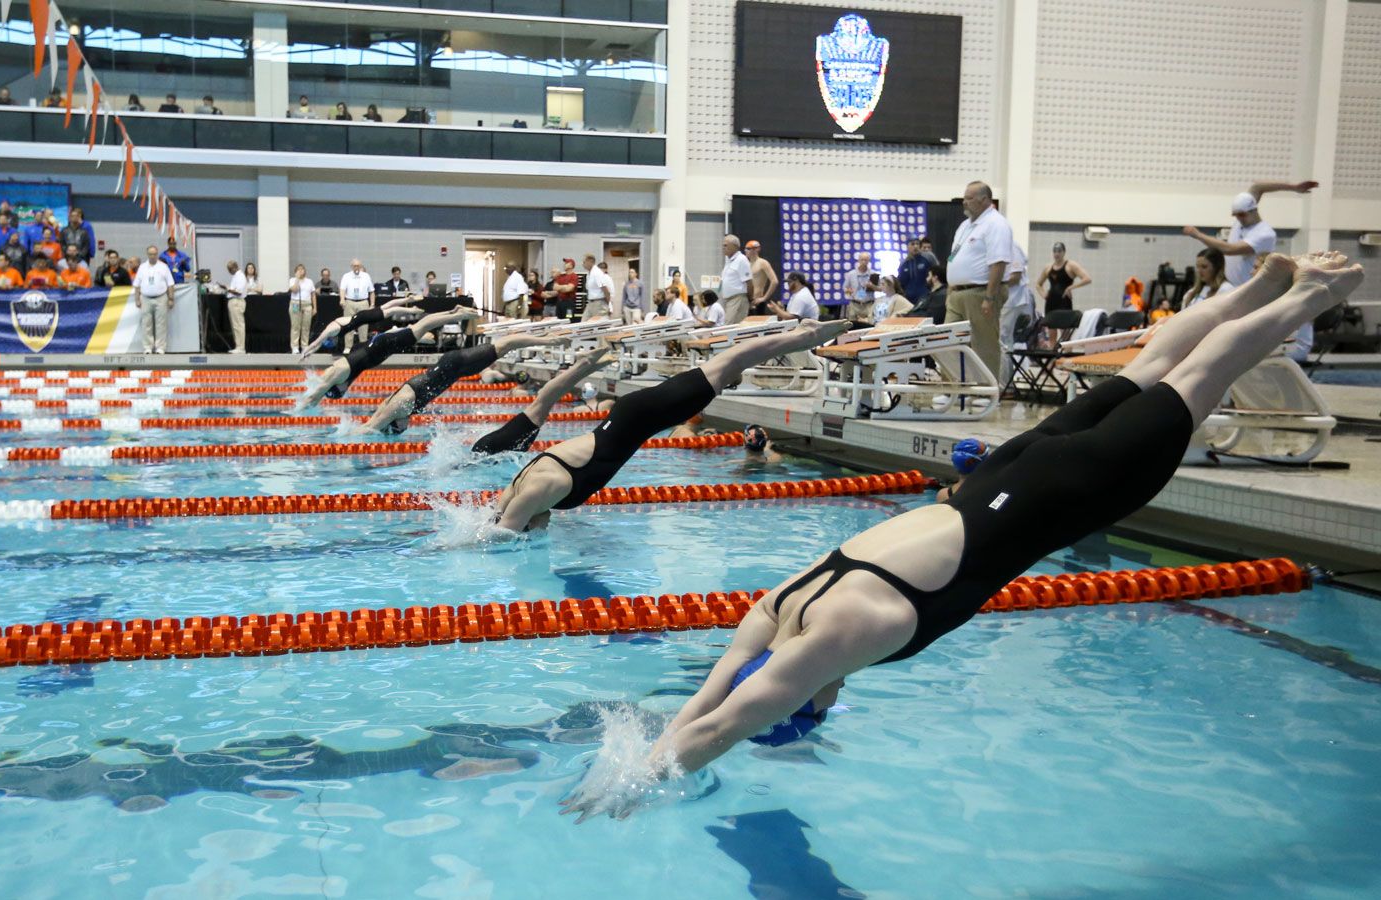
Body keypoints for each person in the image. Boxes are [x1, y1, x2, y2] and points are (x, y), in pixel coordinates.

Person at [558, 252, 1366, 822]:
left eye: (818, 706)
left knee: (1193, 382)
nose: (832, 699)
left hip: (1059, 491)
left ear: (807, 693)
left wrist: (633, 791)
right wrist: (642, 758)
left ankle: (1309, 294)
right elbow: (708, 704)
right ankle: (1262, 282)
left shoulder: (839, 636)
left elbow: (727, 724)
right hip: (1002, 473)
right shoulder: (776, 608)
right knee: (1147, 366)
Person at [491, 320, 853, 534]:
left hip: (640, 417)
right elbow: (515, 527)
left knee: (731, 363)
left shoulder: (542, 489)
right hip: (631, 417)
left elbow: (504, 538)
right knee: (725, 369)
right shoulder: (527, 490)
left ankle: (804, 336)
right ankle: (802, 335)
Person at [361, 331, 569, 435]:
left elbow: (370, 427)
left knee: (506, 344)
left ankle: (549, 340)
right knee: (503, 348)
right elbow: (374, 418)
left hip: (455, 365)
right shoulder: (399, 405)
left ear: (396, 423)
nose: (407, 428)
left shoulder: (400, 406)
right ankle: (547, 340)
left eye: (401, 429)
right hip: (454, 367)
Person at [292, 308, 480, 410]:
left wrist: (297, 411)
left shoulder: (338, 372)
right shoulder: (344, 372)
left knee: (423, 326)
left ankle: (456, 313)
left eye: (340, 391)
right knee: (422, 330)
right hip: (380, 344)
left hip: (382, 346)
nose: (345, 390)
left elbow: (313, 397)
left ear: (338, 386)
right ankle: (453, 313)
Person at [472, 346, 617, 455]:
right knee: (545, 402)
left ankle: (582, 363)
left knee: (544, 402)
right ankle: (588, 366)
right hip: (501, 447)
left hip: (495, 446)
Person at [1184, 180, 1316, 289]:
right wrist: (1293, 187)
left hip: (1248, 288)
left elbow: (1229, 249)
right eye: (1236, 215)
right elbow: (1258, 186)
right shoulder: (1241, 218)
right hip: (1230, 286)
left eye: (1242, 215)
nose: (1239, 219)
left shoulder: (1265, 234)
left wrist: (1198, 235)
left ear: (1254, 210)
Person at [945, 180, 1014, 378]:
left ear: (984, 200)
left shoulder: (996, 224)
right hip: (958, 294)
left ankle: (987, 389)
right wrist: (951, 289)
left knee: (983, 343)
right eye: (964, 198)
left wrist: (990, 297)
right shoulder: (965, 226)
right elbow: (954, 257)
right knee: (948, 341)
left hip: (981, 292)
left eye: (969, 198)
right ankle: (954, 388)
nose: (964, 202)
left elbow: (998, 263)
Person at [306, 296, 425, 359]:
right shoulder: (331, 330)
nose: (336, 341)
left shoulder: (331, 331)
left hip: (364, 318)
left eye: (334, 341)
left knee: (391, 310)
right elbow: (318, 344)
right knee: (388, 306)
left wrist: (305, 352)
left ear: (331, 339)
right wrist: (309, 353)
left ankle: (412, 309)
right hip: (361, 315)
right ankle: (409, 300)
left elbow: (316, 342)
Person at [134, 245, 176, 353]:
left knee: (161, 324)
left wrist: (171, 298)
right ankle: (147, 347)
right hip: (145, 298)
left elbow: (170, 284)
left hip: (161, 298)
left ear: (157, 254)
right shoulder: (142, 267)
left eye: (154, 254)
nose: (152, 256)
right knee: (146, 323)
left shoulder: (163, 267)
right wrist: (137, 299)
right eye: (150, 254)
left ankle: (160, 347)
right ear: (147, 254)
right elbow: (137, 285)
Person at [998, 243, 1033, 360]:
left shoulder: (1012, 248)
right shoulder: (999, 248)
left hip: (1013, 299)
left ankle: (1004, 377)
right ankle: (1004, 375)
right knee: (1004, 339)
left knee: (1003, 339)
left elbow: (1015, 277)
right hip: (1006, 300)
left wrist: (993, 285)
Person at [1036, 241, 1091, 316]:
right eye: (1055, 251)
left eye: (1059, 251)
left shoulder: (1071, 265)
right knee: (1050, 326)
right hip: (1050, 302)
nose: (1057, 254)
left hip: (1065, 301)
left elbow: (1087, 279)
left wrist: (1070, 287)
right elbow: (1038, 284)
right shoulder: (1048, 268)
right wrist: (1044, 295)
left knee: (1064, 326)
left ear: (1064, 252)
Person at [338, 258, 377, 348]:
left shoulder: (366, 276)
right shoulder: (346, 276)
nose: (356, 267)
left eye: (358, 266)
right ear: (351, 266)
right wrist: (342, 299)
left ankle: (363, 346)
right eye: (354, 266)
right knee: (348, 325)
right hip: (349, 302)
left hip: (363, 302)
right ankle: (348, 347)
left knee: (363, 326)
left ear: (360, 266)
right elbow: (342, 289)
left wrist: (372, 304)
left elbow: (372, 291)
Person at [718, 234, 754, 324]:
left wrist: (750, 299)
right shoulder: (729, 260)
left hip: (738, 299)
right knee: (728, 327)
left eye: (725, 245)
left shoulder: (741, 260)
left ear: (735, 246)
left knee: (729, 328)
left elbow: (749, 283)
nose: (723, 247)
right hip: (729, 300)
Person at [284, 264, 317, 354]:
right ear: (295, 272)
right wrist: (297, 279)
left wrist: (315, 308)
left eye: (302, 269)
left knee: (306, 326)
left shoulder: (309, 281)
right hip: (295, 304)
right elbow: (294, 289)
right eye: (298, 269)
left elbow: (313, 294)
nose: (301, 271)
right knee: (296, 326)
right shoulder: (292, 280)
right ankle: (295, 346)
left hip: (307, 305)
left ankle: (304, 346)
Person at [897, 237, 934, 311]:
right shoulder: (903, 264)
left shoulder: (927, 258)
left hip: (925, 297)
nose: (916, 246)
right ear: (908, 246)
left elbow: (937, 273)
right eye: (913, 244)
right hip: (909, 300)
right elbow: (900, 283)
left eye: (917, 244)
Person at [744, 242, 779, 316]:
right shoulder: (746, 264)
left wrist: (764, 298)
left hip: (757, 301)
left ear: (756, 249)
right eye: (745, 249)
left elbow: (774, 281)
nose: (745, 251)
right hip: (747, 302)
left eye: (748, 249)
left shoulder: (762, 263)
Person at [222, 260, 249, 354]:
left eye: (229, 270)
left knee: (238, 325)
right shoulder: (236, 276)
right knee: (235, 325)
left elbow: (239, 291)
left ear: (234, 267)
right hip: (233, 301)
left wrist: (228, 289)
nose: (229, 272)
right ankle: (238, 346)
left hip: (237, 301)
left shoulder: (240, 276)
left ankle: (241, 347)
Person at [842, 253, 876, 324]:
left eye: (866, 260)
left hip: (869, 304)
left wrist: (872, 286)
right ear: (859, 261)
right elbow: (844, 288)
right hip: (855, 304)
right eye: (862, 260)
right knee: (852, 324)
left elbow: (880, 289)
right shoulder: (851, 274)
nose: (864, 262)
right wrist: (849, 291)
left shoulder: (873, 274)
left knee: (870, 323)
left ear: (868, 261)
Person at [583, 255, 614, 320]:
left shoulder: (597, 273)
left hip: (599, 304)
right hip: (591, 303)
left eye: (584, 262)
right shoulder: (589, 274)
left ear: (590, 262)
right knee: (583, 325)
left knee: (598, 326)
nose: (583, 264)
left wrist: (610, 306)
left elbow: (606, 290)